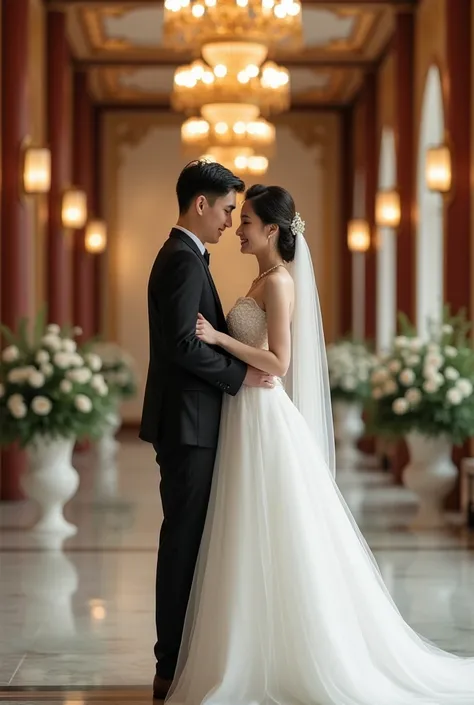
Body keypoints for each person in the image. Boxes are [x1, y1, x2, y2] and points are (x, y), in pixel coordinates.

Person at [165, 184, 474, 705]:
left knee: (272, 525)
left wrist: (218, 340)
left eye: (246, 222)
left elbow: (279, 363)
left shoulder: (280, 282)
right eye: (236, 219)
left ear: (270, 230)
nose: (237, 228)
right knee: (245, 526)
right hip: (245, 410)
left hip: (263, 414)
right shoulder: (262, 277)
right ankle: (244, 646)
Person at [139, 162, 275, 700]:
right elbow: (180, 345)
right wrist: (242, 376)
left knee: (192, 541)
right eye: (224, 210)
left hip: (194, 421)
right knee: (183, 543)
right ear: (200, 204)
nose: (228, 222)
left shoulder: (186, 256)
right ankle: (169, 664)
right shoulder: (180, 259)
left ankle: (182, 657)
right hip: (189, 425)